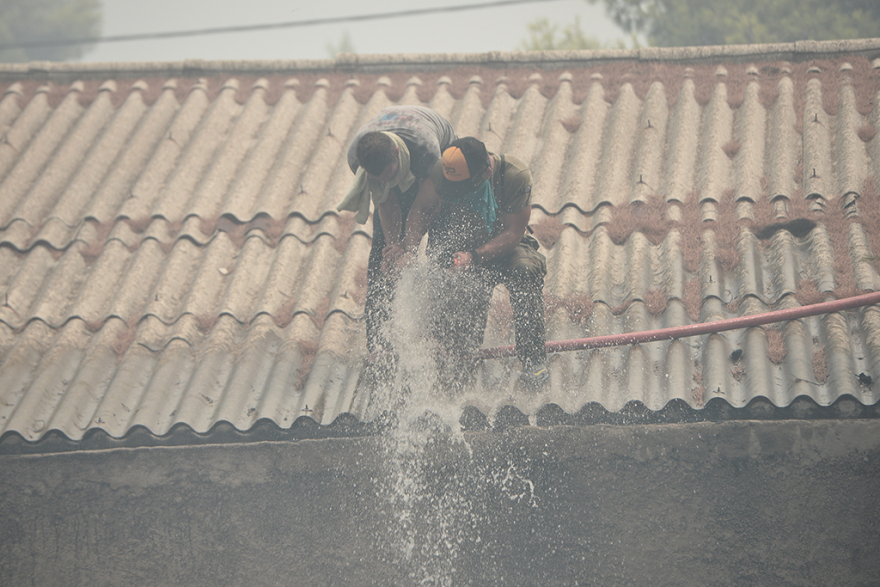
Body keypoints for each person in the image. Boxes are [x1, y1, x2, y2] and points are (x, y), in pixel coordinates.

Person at [391, 137, 548, 390]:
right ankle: (460, 362)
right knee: (456, 298)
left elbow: (513, 233)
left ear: (485, 172)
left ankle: (533, 360)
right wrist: (409, 249)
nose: (457, 192)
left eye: (463, 186)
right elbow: (421, 209)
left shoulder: (514, 176)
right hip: (464, 252)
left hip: (505, 247)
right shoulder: (442, 171)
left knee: (525, 271)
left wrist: (474, 256)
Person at [337, 105, 457, 370]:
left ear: (395, 153)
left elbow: (426, 206)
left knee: (443, 247)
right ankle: (379, 345)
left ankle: (443, 337)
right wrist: (395, 247)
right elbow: (386, 201)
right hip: (397, 167)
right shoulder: (358, 158)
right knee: (384, 257)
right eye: (377, 177)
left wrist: (410, 248)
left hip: (439, 163)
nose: (383, 179)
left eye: (388, 174)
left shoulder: (425, 150)